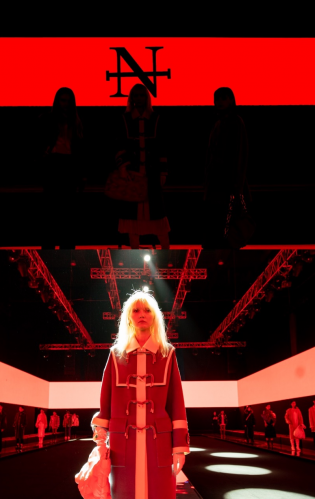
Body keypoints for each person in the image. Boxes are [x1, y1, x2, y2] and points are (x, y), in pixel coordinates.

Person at [89, 290, 189, 499]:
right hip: (122, 444)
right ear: (128, 317)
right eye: (135, 310)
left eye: (147, 310)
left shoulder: (167, 354)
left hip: (159, 443)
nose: (141, 314)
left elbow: (177, 404)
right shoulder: (115, 355)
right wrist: (100, 442)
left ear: (155, 316)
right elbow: (105, 403)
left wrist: (179, 448)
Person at [115, 84, 170, 249]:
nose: (139, 99)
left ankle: (167, 254)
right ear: (131, 98)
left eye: (142, 95)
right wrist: (123, 168)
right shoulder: (124, 119)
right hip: (132, 175)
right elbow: (119, 146)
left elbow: (162, 147)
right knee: (132, 218)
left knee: (157, 215)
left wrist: (163, 172)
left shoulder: (156, 118)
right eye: (136, 95)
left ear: (146, 98)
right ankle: (135, 254)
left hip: (152, 175)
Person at [203, 87, 253, 249]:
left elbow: (240, 154)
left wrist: (237, 186)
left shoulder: (234, 122)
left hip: (227, 183)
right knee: (221, 224)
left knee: (224, 223)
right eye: (217, 99)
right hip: (219, 183)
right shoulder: (220, 123)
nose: (219, 102)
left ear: (231, 100)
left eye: (223, 98)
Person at [36, 87, 84, 247]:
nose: (66, 104)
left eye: (68, 101)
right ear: (57, 102)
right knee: (54, 213)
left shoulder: (74, 122)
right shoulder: (48, 120)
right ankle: (57, 251)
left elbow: (80, 149)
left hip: (67, 166)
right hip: (55, 165)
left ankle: (60, 251)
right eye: (63, 100)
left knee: (65, 215)